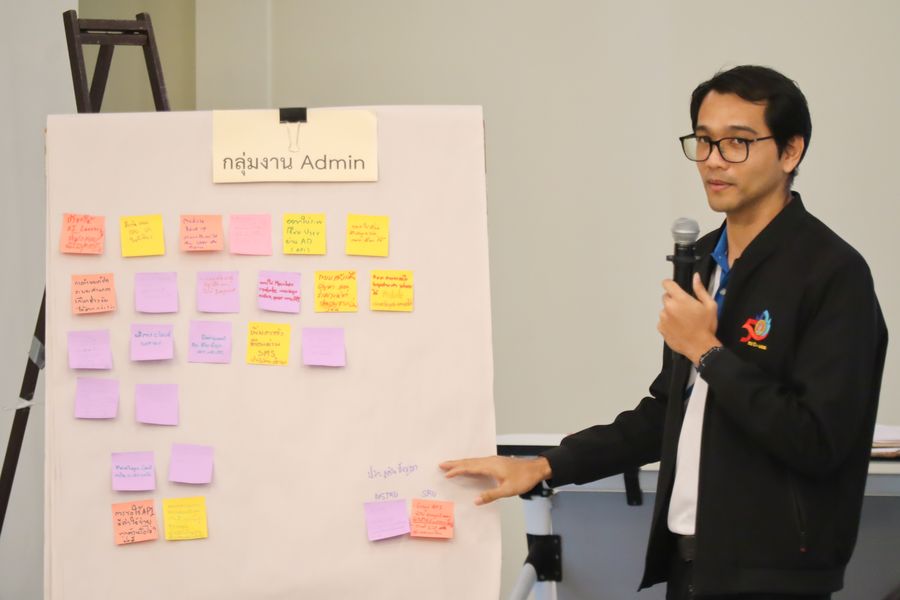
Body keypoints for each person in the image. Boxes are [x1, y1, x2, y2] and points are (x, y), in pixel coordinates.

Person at [440, 65, 888, 599]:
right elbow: (666, 415)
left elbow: (818, 441)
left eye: (738, 142)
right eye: (704, 141)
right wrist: (546, 465)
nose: (714, 160)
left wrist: (708, 351)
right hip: (690, 564)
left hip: (776, 578)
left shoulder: (833, 274)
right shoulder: (700, 263)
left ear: (791, 151)